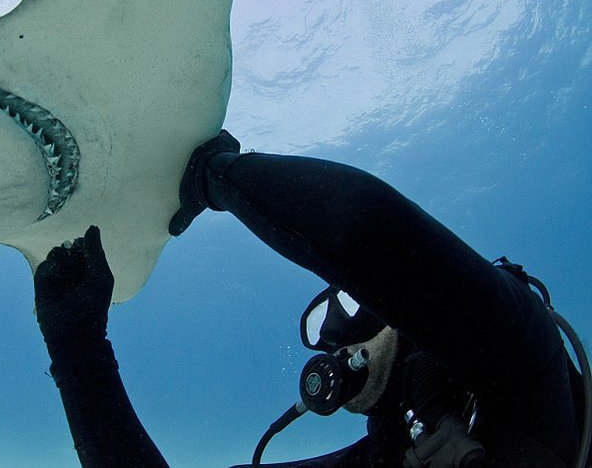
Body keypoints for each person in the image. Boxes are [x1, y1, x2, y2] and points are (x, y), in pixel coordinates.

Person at [33, 131, 588, 468]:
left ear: (399, 313)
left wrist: (217, 177)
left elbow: (365, 232)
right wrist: (79, 348)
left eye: (345, 306)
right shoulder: (384, 457)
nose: (328, 338)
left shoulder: (525, 351)